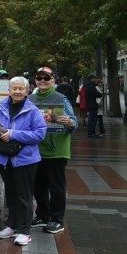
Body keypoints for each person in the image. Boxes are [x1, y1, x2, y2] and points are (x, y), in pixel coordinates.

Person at [0, 76, 47, 246]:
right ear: (9, 91)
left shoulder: (33, 110)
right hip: (5, 158)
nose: (18, 91)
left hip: (25, 160)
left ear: (27, 91)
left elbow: (39, 134)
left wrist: (13, 134)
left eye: (21, 89)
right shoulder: (1, 107)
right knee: (11, 194)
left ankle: (24, 230)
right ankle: (11, 225)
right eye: (14, 88)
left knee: (24, 196)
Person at [29, 67, 76, 234]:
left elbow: (73, 122)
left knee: (56, 186)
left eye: (46, 78)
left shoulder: (61, 99)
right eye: (39, 77)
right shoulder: (30, 99)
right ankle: (42, 214)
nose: (42, 80)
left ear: (53, 81)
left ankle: (57, 219)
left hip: (57, 150)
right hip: (36, 150)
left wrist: (68, 122)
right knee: (38, 185)